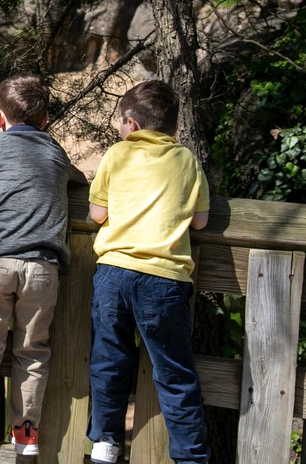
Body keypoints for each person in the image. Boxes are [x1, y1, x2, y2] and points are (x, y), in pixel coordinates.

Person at [86, 80, 211, 464]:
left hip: (115, 272)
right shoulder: (188, 160)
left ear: (131, 124)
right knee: (174, 372)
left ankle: (106, 445)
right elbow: (202, 222)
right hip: (165, 277)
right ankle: (190, 456)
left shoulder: (117, 155)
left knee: (109, 359)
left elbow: (97, 214)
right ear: (173, 128)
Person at [0, 74, 74, 463]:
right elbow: (70, 181)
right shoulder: (57, 153)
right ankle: (25, 431)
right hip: (43, 266)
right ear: (45, 120)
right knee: (33, 350)